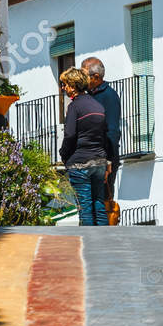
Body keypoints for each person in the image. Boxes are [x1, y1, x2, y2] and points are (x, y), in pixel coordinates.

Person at [58, 66, 114, 226]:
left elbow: (69, 135)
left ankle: (89, 246)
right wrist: (106, 160)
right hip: (99, 163)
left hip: (80, 163)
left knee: (85, 208)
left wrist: (64, 156)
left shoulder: (74, 107)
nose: (63, 88)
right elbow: (105, 135)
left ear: (73, 86)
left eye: (65, 84)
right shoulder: (97, 106)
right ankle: (104, 243)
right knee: (99, 205)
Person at [81, 58, 122, 200]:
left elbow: (112, 132)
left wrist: (107, 163)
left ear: (96, 77)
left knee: (101, 205)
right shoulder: (88, 96)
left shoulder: (109, 96)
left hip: (103, 161)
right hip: (89, 160)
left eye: (84, 75)